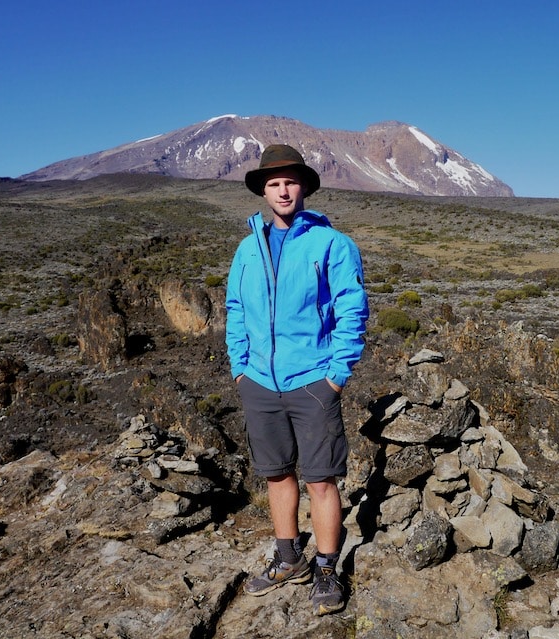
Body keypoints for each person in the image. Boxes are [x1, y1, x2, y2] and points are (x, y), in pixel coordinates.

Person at [225, 144, 369, 615]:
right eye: (273, 183)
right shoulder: (247, 248)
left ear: (304, 186)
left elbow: (352, 310)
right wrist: (241, 369)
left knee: (321, 480)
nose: (283, 190)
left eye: (290, 181)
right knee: (277, 475)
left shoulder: (332, 244)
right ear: (263, 190)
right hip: (260, 384)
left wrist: (335, 376)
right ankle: (289, 558)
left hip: (312, 381)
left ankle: (326, 566)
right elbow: (235, 311)